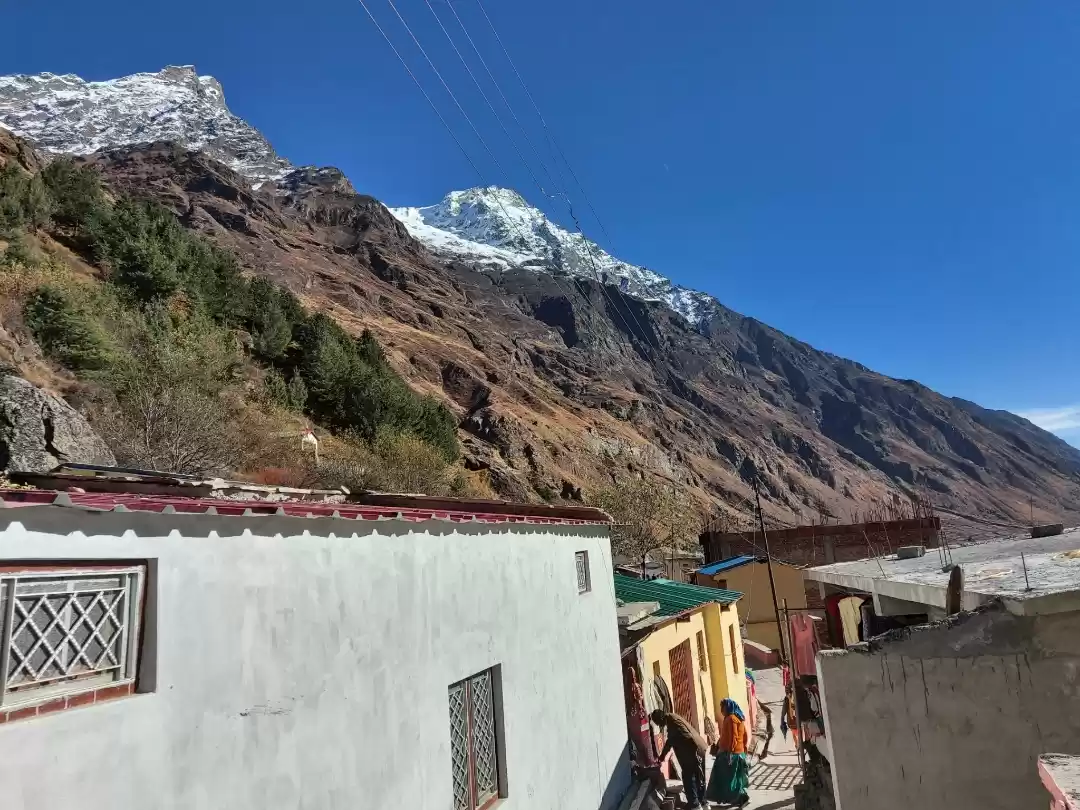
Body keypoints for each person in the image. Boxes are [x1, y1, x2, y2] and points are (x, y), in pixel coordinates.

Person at [650, 709, 708, 809]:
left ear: (661, 719)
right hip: (698, 748)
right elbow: (671, 740)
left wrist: (662, 757)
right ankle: (703, 803)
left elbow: (676, 739)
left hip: (694, 750)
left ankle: (695, 805)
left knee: (688, 777)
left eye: (659, 723)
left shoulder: (672, 721)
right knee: (698, 777)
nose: (660, 726)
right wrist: (663, 756)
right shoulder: (672, 718)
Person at [706, 698, 750, 807]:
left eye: (723, 707)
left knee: (727, 778)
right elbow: (745, 736)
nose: (722, 709)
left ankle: (737, 798)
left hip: (730, 754)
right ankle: (739, 798)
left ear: (729, 707)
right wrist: (744, 749)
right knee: (737, 777)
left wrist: (730, 752)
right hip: (738, 753)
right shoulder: (739, 718)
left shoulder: (730, 719)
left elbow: (733, 737)